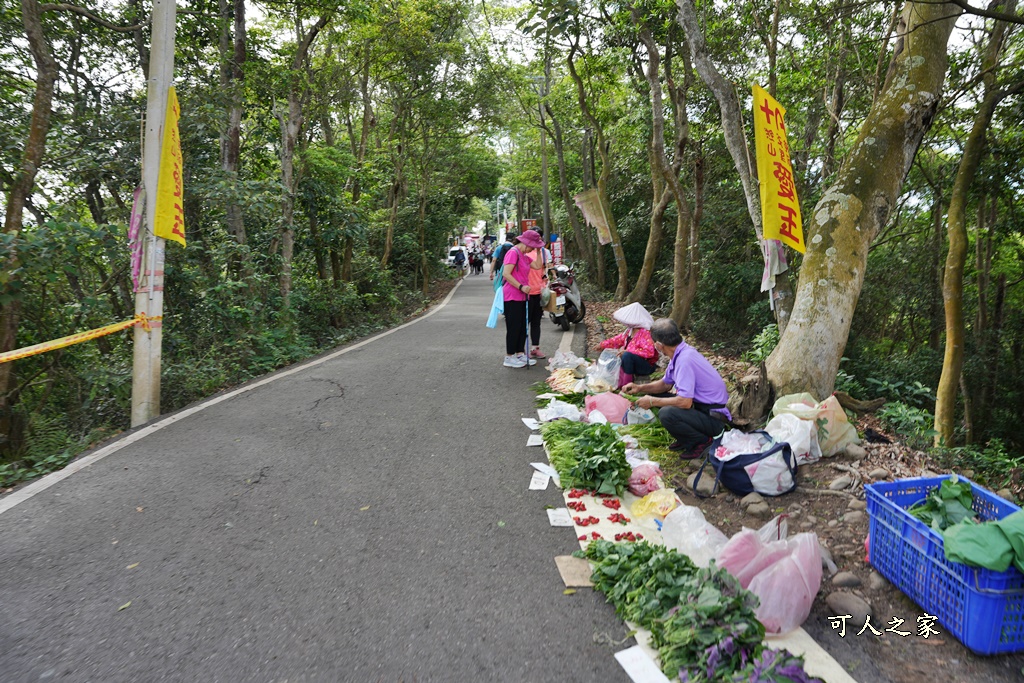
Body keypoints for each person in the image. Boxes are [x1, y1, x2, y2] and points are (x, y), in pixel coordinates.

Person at [622, 318, 731, 458]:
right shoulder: (680, 353)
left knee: (667, 413)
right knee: (660, 398)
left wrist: (651, 401)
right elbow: (665, 384)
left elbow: (685, 402)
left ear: (659, 345)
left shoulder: (684, 361)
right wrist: (639, 388)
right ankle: (685, 438)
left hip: (713, 418)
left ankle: (702, 442)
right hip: (699, 409)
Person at [500, 229, 545, 368]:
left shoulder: (524, 255)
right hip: (512, 295)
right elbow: (506, 274)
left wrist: (538, 250)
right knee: (513, 327)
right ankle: (509, 356)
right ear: (526, 243)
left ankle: (520, 353)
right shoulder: (513, 253)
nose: (532, 248)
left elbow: (537, 265)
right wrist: (520, 286)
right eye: (532, 246)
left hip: (523, 296)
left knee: (522, 327)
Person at [598, 302, 658, 387]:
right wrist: (602, 345)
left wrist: (628, 351)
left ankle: (627, 385)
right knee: (610, 356)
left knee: (626, 355)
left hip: (645, 366)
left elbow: (649, 352)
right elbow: (618, 340)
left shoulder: (646, 333)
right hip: (631, 362)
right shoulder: (630, 331)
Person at [527, 242, 552, 359]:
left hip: (538, 292)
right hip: (526, 293)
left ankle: (535, 348)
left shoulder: (542, 252)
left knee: (536, 322)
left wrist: (544, 281)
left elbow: (543, 270)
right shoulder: (523, 252)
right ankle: (521, 352)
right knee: (524, 323)